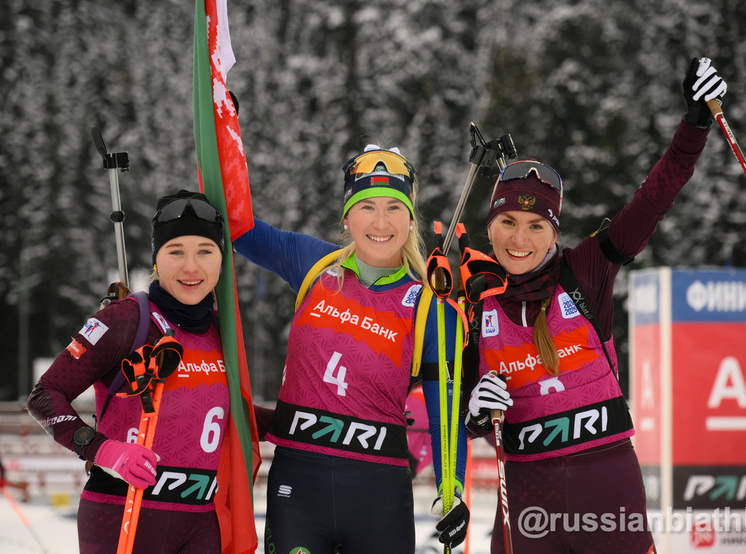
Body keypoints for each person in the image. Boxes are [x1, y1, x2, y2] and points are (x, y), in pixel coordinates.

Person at [464, 57, 728, 554]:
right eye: (507, 224)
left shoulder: (583, 270)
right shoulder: (474, 302)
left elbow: (651, 202)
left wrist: (694, 124)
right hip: (525, 494)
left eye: (536, 226)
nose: (519, 239)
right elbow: (459, 409)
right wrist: (474, 413)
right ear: (491, 226)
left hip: (604, 483)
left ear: (553, 233)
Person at [233, 144, 469, 553]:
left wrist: (454, 490)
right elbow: (236, 227)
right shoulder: (314, 265)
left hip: (379, 496)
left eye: (394, 208)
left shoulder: (431, 307)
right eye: (367, 207)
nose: (381, 222)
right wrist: (222, 134)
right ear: (347, 216)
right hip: (298, 488)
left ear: (411, 219)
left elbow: (444, 416)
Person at [26, 190, 242, 554]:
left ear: (222, 262)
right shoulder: (126, 318)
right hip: (121, 512)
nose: (191, 267)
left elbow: (237, 412)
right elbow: (45, 395)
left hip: (201, 519)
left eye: (205, 251)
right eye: (175, 252)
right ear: (156, 261)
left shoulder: (224, 332)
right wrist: (102, 450)